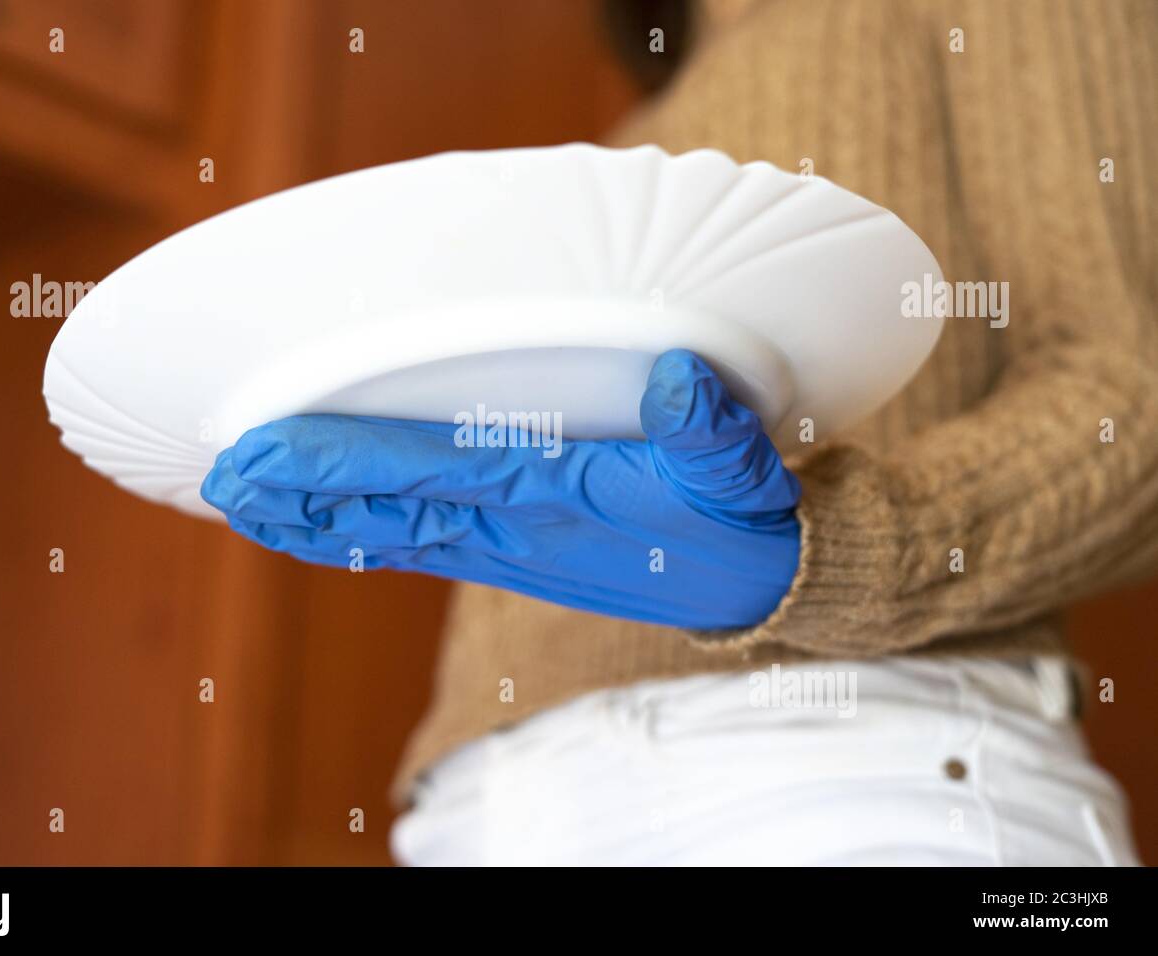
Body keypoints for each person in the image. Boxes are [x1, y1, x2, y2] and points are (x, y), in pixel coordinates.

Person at [201, 0, 1156, 864]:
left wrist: (836, 553)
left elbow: (1134, 390)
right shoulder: (628, 132)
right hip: (482, 814)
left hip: (858, 775)